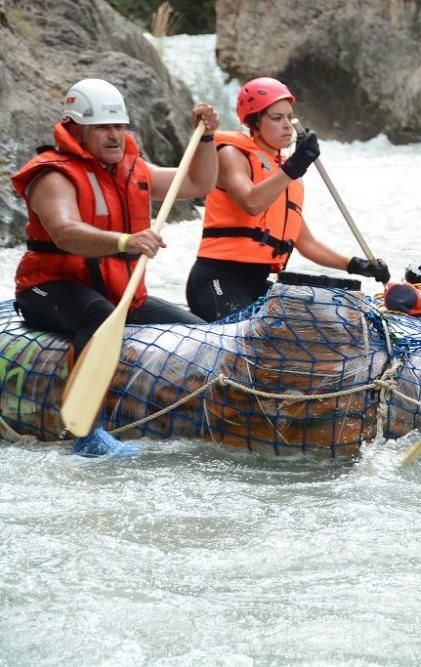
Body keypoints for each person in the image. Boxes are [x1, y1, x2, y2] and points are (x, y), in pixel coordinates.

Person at [10, 78, 220, 457]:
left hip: (118, 291)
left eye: (119, 126)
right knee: (100, 315)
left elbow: (198, 182)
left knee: (201, 335)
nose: (114, 135)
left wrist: (205, 139)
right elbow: (64, 232)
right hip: (47, 288)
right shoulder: (52, 175)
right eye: (102, 127)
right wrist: (124, 241)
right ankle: (87, 433)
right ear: (76, 129)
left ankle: (206, 414)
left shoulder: (133, 169)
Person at [185, 77, 390, 322]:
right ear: (254, 122)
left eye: (289, 117)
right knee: (248, 334)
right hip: (216, 279)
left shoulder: (282, 175)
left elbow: (307, 244)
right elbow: (251, 203)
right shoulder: (233, 154)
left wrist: (355, 265)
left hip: (257, 282)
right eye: (276, 118)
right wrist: (295, 166)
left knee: (315, 328)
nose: (287, 126)